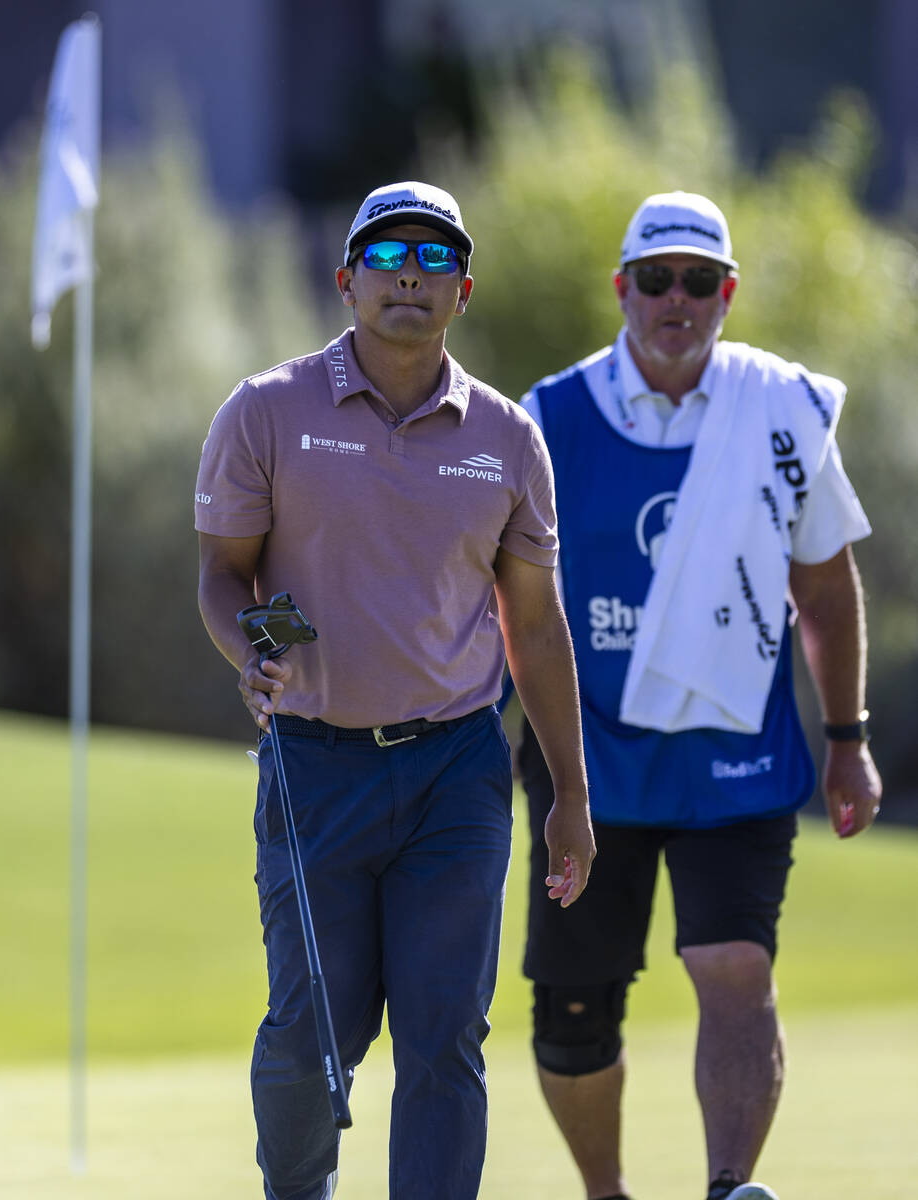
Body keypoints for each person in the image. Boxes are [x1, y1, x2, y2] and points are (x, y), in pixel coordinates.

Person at [194, 180, 595, 1200]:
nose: (407, 273)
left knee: (443, 1033)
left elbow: (535, 626)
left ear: (462, 288)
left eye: (430, 257)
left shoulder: (508, 439)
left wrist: (569, 799)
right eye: (384, 257)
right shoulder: (266, 411)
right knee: (307, 1038)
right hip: (313, 764)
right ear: (345, 283)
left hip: (456, 770)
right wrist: (251, 653)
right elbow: (222, 570)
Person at [517, 191, 882, 1200]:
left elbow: (822, 588)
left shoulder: (780, 412)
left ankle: (728, 1189)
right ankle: (607, 1196)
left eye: (695, 281)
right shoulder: (546, 417)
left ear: (725, 294)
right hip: (586, 762)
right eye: (652, 278)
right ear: (620, 290)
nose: (673, 299)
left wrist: (846, 736)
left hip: (734, 753)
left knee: (734, 970)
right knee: (573, 1014)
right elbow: (503, 597)